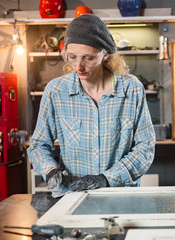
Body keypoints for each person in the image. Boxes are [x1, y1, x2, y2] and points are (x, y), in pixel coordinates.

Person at [27, 14, 156, 197]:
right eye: (72, 57)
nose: (78, 66)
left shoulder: (131, 89)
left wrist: (106, 179)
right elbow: (39, 144)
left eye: (88, 58)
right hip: (72, 196)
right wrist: (50, 170)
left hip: (118, 196)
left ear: (104, 55)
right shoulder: (56, 91)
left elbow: (145, 148)